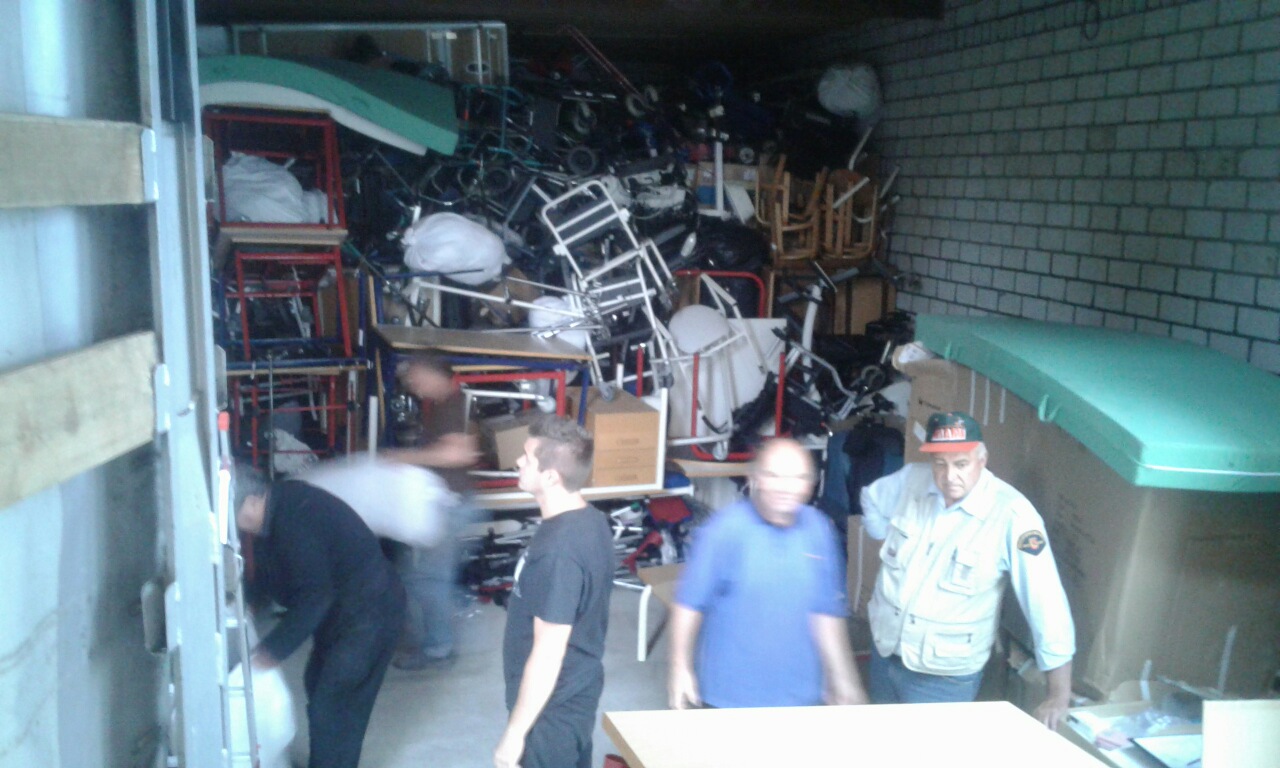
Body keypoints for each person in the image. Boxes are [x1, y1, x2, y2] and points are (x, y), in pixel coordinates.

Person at [860, 411, 1076, 729]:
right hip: (885, 652)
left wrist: (1059, 693)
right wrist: (880, 535)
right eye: (940, 464)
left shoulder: (1013, 515)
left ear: (982, 460)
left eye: (961, 464)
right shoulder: (911, 481)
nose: (949, 476)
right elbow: (871, 498)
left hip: (942, 678)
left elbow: (1046, 603)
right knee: (880, 744)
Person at [668, 438, 867, 710]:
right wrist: (680, 668)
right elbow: (689, 605)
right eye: (774, 475)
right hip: (730, 699)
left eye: (798, 477)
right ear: (755, 478)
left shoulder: (818, 529)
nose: (785, 487)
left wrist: (843, 678)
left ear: (811, 483)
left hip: (801, 697)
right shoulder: (725, 530)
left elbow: (825, 613)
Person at [235, 471, 405, 768]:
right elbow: (270, 567)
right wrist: (250, 599)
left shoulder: (295, 519)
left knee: (334, 702)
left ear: (251, 501)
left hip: (371, 612)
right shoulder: (273, 514)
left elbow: (315, 597)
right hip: (342, 612)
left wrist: (272, 650)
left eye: (233, 515)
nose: (234, 526)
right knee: (318, 685)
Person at [495, 417, 614, 768]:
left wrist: (514, 734)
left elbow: (548, 654)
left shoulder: (559, 553)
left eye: (527, 457)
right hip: (576, 691)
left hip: (551, 710)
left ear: (550, 476)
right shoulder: (590, 520)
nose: (518, 461)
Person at [383, 352, 481, 669]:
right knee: (425, 576)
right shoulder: (441, 406)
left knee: (428, 578)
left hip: (452, 504)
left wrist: (404, 457)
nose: (413, 386)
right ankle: (445, 623)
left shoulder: (455, 404)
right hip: (444, 502)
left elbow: (457, 455)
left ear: (432, 373)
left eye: (415, 378)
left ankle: (438, 647)